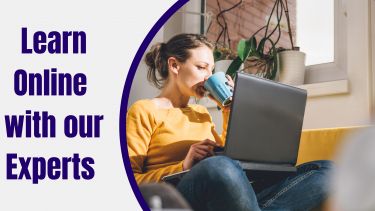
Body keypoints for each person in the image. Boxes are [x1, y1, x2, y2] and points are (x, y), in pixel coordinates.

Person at [126, 33, 332, 211]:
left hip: (223, 191)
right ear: (174, 65)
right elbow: (131, 181)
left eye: (211, 70)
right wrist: (184, 165)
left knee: (327, 169)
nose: (208, 77)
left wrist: (228, 108)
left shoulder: (199, 112)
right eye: (201, 68)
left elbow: (229, 156)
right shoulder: (144, 110)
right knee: (218, 167)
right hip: (184, 193)